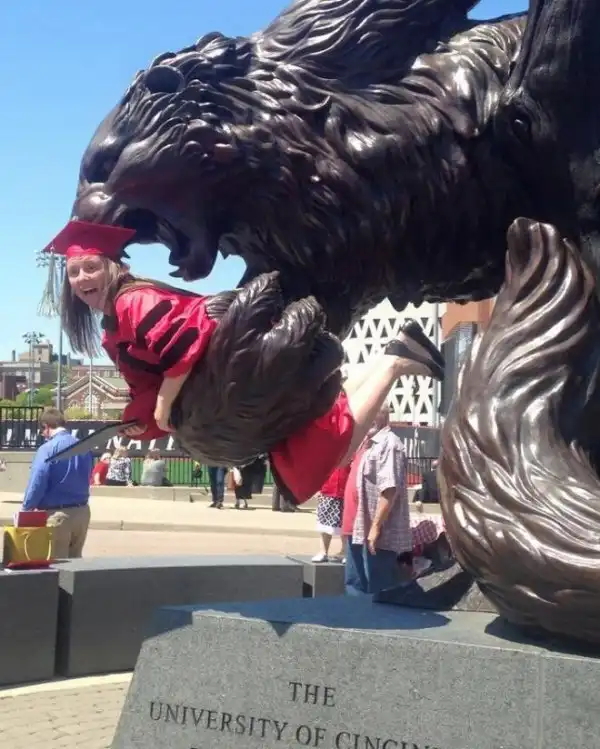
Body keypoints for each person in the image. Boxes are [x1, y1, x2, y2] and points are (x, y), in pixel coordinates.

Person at [44, 219, 443, 504]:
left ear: (117, 267)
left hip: (239, 376)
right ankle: (398, 352)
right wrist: (140, 422)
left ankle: (393, 362)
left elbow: (181, 345)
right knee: (319, 437)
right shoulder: (113, 327)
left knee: (321, 457)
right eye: (74, 272)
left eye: (91, 267)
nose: (82, 279)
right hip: (226, 392)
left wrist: (163, 407)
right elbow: (148, 387)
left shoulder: (133, 301)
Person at [344, 408, 417, 596]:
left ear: (384, 415)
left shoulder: (389, 444)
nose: (366, 417)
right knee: (354, 587)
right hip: (356, 528)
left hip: (375, 534)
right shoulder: (365, 442)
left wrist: (376, 527)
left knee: (378, 590)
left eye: (373, 411)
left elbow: (389, 490)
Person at [22, 408, 93, 558]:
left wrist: (27, 508)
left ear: (46, 426)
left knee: (57, 565)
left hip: (57, 515)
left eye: (42, 430)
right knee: (76, 564)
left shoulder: (47, 449)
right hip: (82, 512)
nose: (43, 434)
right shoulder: (83, 446)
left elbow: (38, 480)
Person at [312, 463, 351, 562]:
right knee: (324, 523)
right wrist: (316, 488)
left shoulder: (353, 454)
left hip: (346, 491)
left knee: (346, 524)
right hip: (327, 491)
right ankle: (323, 551)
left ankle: (345, 551)